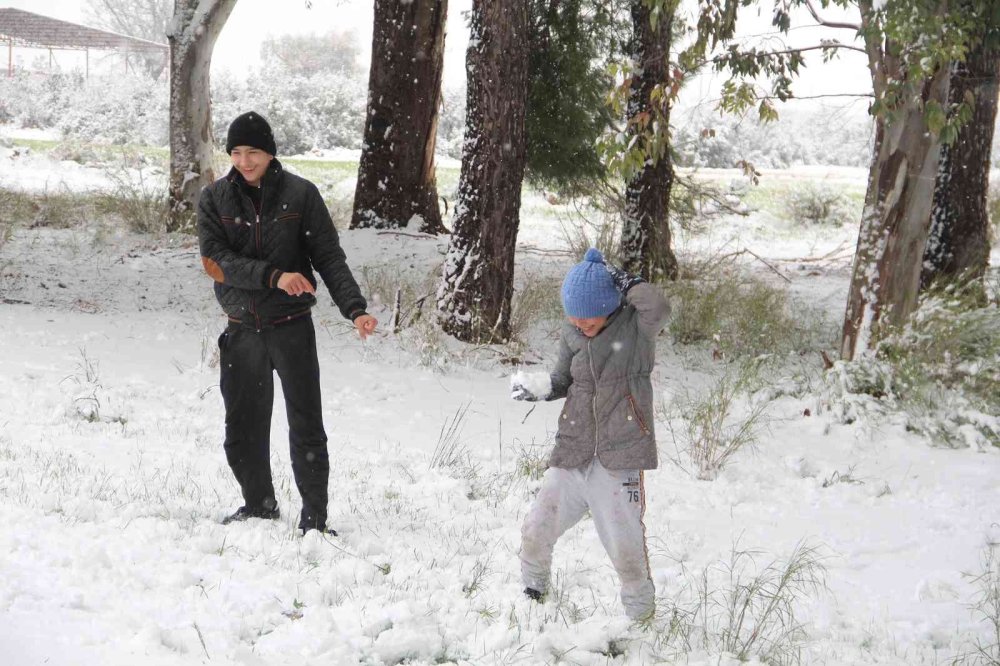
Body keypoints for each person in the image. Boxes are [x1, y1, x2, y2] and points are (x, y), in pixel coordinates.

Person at [198, 111, 377, 535]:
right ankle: (258, 504)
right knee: (242, 429)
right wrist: (274, 276)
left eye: (253, 152)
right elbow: (215, 263)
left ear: (270, 153)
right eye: (237, 153)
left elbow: (329, 258)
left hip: (291, 327)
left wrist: (355, 308)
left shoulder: (300, 195)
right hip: (241, 328)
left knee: (306, 426)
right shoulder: (214, 198)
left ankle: (314, 518)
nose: (244, 161)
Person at [511, 247, 670, 621]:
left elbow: (659, 308)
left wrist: (625, 281)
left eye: (588, 317)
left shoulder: (635, 328)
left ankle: (640, 616)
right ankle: (532, 592)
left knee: (625, 546)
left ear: (609, 305)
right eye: (574, 316)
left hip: (619, 457)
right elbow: (564, 378)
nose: (580, 324)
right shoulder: (573, 333)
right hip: (573, 449)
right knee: (537, 524)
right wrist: (541, 388)